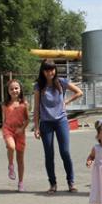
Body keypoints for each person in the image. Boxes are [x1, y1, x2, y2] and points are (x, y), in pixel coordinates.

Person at [33, 60, 83, 194]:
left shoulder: (61, 82)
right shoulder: (39, 86)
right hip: (46, 123)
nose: (50, 72)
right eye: (47, 70)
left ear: (55, 70)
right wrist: (36, 127)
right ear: (43, 71)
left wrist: (66, 101)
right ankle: (53, 184)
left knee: (65, 152)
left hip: (61, 121)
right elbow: (36, 107)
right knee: (49, 154)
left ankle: (71, 182)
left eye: (52, 69)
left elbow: (79, 92)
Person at [2, 79, 29, 192]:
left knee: (21, 159)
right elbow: (4, 119)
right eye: (11, 89)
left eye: (16, 88)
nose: (14, 90)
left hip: (20, 132)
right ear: (8, 91)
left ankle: (21, 182)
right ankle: (10, 165)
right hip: (8, 129)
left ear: (20, 89)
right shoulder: (5, 104)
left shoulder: (24, 104)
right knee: (11, 147)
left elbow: (27, 120)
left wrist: (22, 128)